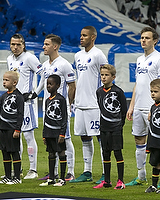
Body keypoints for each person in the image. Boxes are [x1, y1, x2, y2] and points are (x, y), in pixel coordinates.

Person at [126, 26, 160, 186]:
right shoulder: (139, 59)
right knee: (139, 140)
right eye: (142, 37)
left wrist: (156, 108)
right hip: (138, 107)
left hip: (153, 108)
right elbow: (138, 84)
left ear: (155, 41)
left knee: (158, 143)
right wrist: (131, 106)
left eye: (147, 38)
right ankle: (141, 175)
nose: (144, 40)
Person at [34, 34, 76, 181]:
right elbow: (42, 83)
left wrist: (69, 105)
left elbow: (72, 85)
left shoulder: (64, 64)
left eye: (46, 44)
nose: (43, 47)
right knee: (51, 139)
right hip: (48, 108)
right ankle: (54, 172)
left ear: (55, 46)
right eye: (44, 44)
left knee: (66, 139)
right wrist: (34, 94)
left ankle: (70, 172)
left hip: (60, 110)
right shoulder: (45, 65)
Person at [70, 26, 108, 184]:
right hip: (80, 104)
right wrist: (72, 101)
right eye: (81, 35)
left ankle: (106, 172)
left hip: (94, 105)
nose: (81, 38)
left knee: (100, 138)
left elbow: (107, 76)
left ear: (93, 37)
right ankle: (87, 171)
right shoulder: (78, 55)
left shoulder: (98, 54)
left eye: (84, 35)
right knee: (84, 138)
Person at [7, 33, 43, 179]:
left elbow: (44, 74)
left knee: (28, 135)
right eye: (13, 44)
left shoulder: (29, 58)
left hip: (27, 104)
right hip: (13, 103)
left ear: (24, 45)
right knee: (16, 136)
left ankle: (33, 170)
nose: (15, 47)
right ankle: (18, 168)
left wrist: (35, 93)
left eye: (18, 44)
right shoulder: (9, 59)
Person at [93, 64, 127, 190]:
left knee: (117, 153)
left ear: (113, 77)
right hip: (104, 127)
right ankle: (107, 181)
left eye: (106, 75)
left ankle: (120, 181)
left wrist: (119, 124)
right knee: (105, 153)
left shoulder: (118, 91)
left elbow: (123, 109)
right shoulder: (99, 91)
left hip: (116, 127)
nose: (103, 77)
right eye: (102, 75)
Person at [0, 71, 24, 185]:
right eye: (3, 80)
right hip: (3, 128)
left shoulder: (19, 96)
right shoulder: (3, 96)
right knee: (5, 152)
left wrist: (17, 129)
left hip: (12, 129)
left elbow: (20, 114)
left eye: (7, 80)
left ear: (14, 82)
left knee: (14, 152)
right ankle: (7, 176)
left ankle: (17, 177)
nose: (4, 82)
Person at [39, 74, 67, 187]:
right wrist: (44, 134)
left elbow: (64, 117)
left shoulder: (61, 99)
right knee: (51, 154)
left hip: (58, 132)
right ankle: (51, 178)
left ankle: (62, 178)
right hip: (49, 132)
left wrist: (62, 133)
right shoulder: (47, 100)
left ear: (58, 85)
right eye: (47, 84)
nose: (48, 86)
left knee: (61, 153)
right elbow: (46, 118)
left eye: (51, 84)